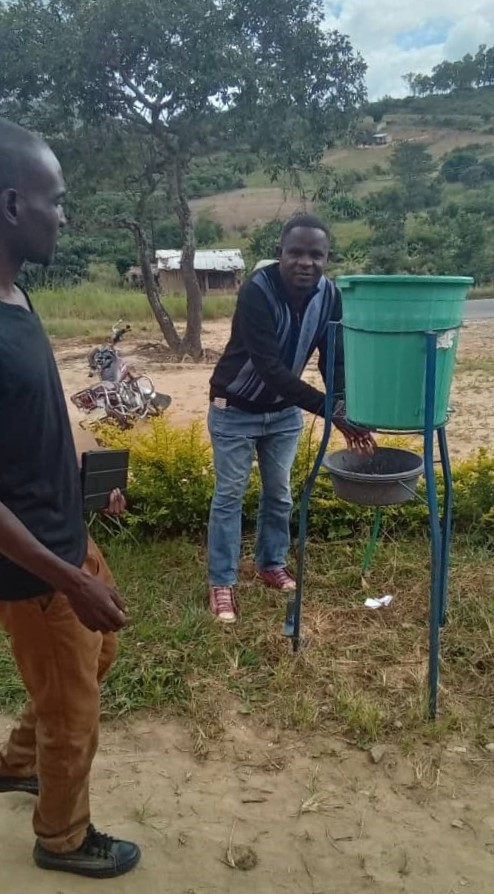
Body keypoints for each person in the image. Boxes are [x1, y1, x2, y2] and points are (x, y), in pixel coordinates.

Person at [0, 119, 140, 879]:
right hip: (38, 572)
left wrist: (86, 477)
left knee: (96, 659)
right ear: (14, 204)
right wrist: (69, 580)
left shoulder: (15, 294)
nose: (66, 216)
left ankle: (19, 759)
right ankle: (61, 837)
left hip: (65, 535)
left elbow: (26, 425)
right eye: (58, 201)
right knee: (74, 712)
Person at [208, 214, 374, 623]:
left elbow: (332, 357)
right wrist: (330, 411)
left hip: (282, 414)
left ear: (326, 258)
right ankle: (222, 582)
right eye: (296, 252)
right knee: (230, 496)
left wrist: (347, 406)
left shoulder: (330, 295)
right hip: (235, 408)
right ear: (280, 253)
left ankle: (270, 563)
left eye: (315, 255)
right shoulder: (256, 292)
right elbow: (270, 369)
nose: (305, 262)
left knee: (279, 493)